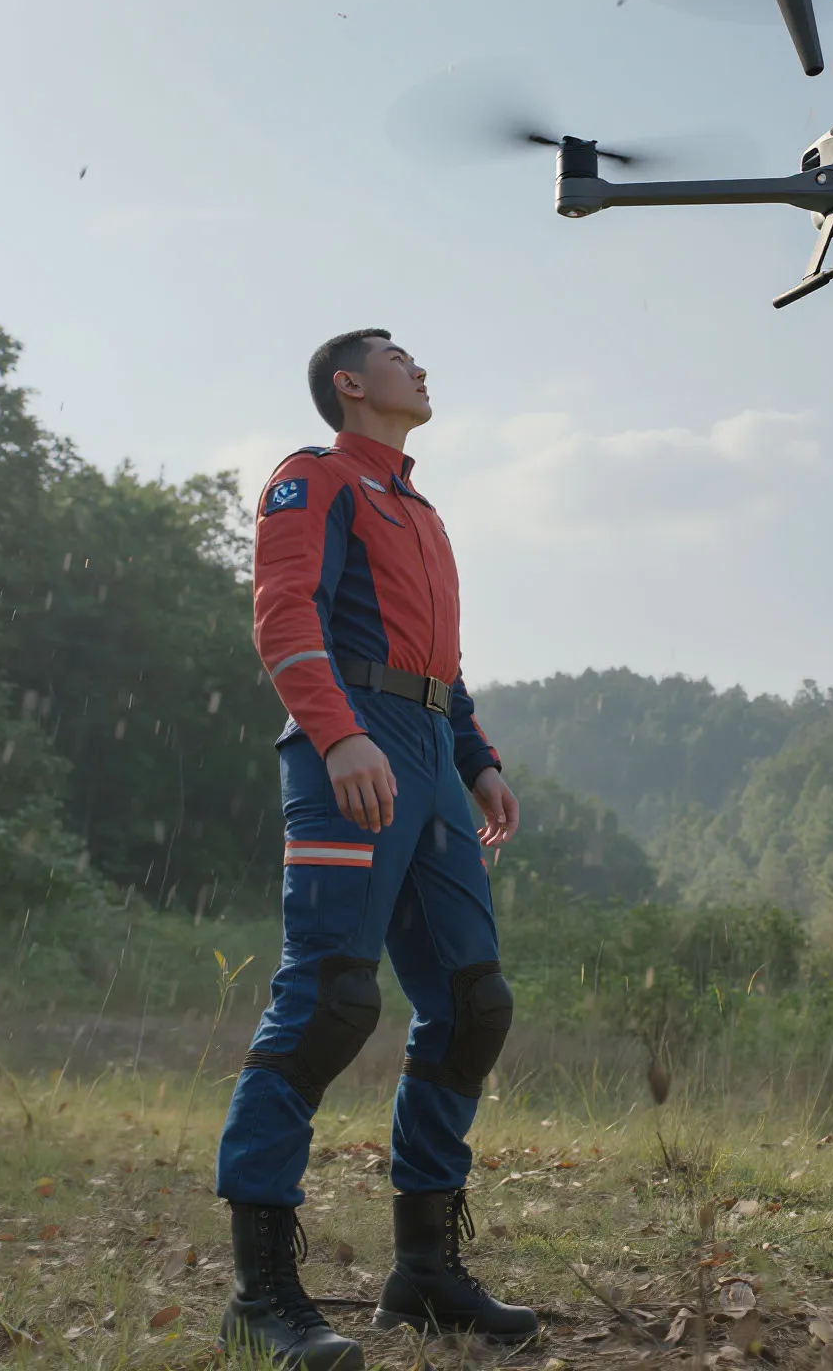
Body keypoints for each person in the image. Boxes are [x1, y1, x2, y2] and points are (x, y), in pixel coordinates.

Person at [215, 329, 534, 1371]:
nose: (421, 366)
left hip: (431, 755)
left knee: (472, 1003)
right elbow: (283, 612)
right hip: (346, 747)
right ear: (350, 383)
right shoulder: (314, 479)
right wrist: (337, 729)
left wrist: (475, 755)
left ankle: (426, 1274)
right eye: (398, 355)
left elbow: (439, 661)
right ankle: (263, 1294)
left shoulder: (424, 510)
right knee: (330, 1002)